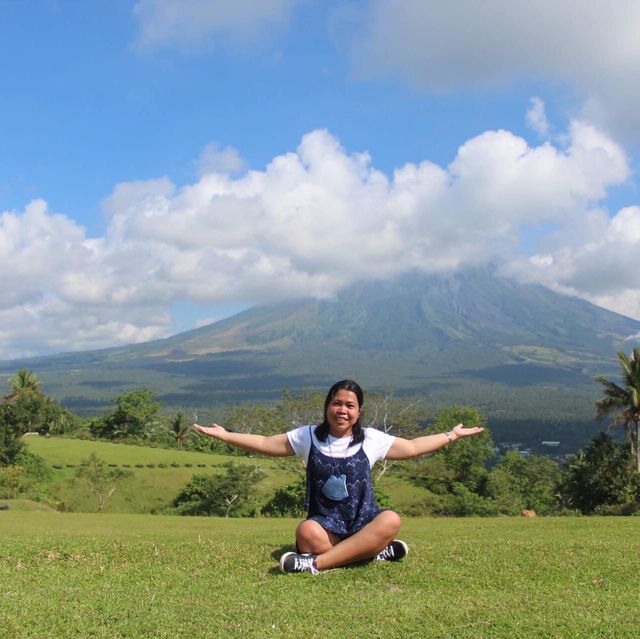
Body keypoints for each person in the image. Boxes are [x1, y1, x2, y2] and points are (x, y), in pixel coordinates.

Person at [193, 379, 484, 575]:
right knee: (305, 532)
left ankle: (315, 564)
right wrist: (226, 436)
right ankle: (372, 554)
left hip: (364, 522)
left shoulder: (370, 439)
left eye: (349, 405)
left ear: (359, 412)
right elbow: (265, 443)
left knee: (391, 519)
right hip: (325, 527)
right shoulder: (307, 436)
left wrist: (450, 435)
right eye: (337, 403)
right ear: (327, 406)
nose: (342, 410)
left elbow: (411, 447)